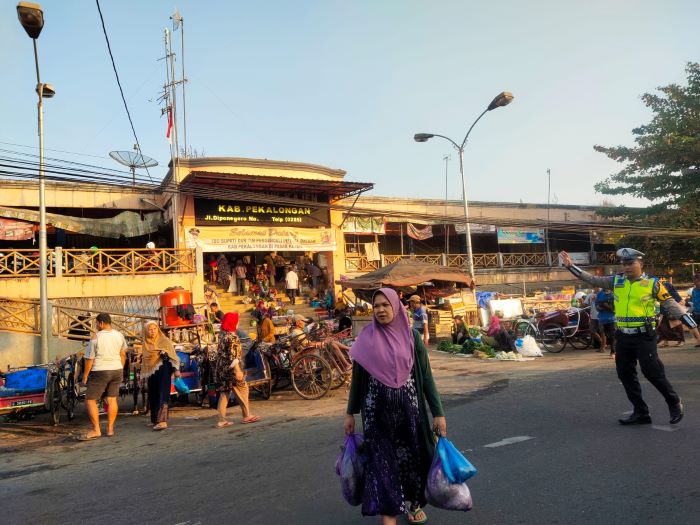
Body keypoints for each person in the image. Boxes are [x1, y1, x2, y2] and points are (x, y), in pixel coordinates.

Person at [344, 288, 446, 525]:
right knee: (382, 461)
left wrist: (438, 412)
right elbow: (358, 381)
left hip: (409, 413)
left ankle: (413, 503)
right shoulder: (365, 340)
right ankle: (388, 513)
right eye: (376, 306)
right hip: (376, 415)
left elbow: (427, 377)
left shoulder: (412, 338)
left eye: (385, 305)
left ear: (396, 307)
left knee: (412, 458)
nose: (380, 310)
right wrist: (350, 412)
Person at [560, 248, 692, 425]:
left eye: (630, 263)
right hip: (622, 336)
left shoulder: (652, 284)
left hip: (644, 336)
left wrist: (689, 321)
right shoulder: (616, 281)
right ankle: (641, 412)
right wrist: (571, 266)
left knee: (652, 372)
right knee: (625, 374)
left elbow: (669, 303)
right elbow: (592, 279)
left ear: (641, 264)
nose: (626, 267)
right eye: (624, 263)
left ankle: (674, 402)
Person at [79, 313, 127, 440]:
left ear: (101, 323)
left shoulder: (96, 337)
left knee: (90, 400)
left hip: (100, 371)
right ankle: (110, 429)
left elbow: (90, 359)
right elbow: (123, 355)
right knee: (112, 399)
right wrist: (120, 368)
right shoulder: (119, 335)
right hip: (117, 370)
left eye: (96, 323)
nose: (96, 326)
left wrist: (85, 376)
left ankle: (96, 430)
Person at [214, 312, 260, 428]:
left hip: (221, 369)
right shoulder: (232, 336)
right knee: (243, 389)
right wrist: (238, 370)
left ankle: (221, 420)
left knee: (224, 393)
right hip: (231, 370)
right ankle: (247, 415)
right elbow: (234, 357)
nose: (238, 322)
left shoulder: (222, 335)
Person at [141, 321, 181, 431]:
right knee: (153, 394)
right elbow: (145, 360)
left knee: (163, 393)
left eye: (154, 329)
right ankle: (155, 420)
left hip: (164, 369)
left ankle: (162, 421)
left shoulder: (164, 340)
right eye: (150, 329)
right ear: (146, 331)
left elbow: (173, 355)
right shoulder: (145, 343)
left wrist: (176, 370)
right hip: (152, 373)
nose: (152, 331)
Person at [657, 280, 685, 347]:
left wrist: (676, 309)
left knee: (676, 327)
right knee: (662, 327)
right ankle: (665, 341)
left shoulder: (672, 292)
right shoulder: (660, 291)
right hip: (663, 311)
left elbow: (681, 301)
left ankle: (680, 341)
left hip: (672, 312)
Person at [595, 287, 616, 357]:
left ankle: (613, 351)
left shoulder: (614, 293)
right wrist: (602, 307)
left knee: (613, 335)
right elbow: (596, 305)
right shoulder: (600, 294)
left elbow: (616, 306)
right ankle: (613, 349)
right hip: (602, 319)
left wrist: (610, 307)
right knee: (607, 335)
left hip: (612, 319)